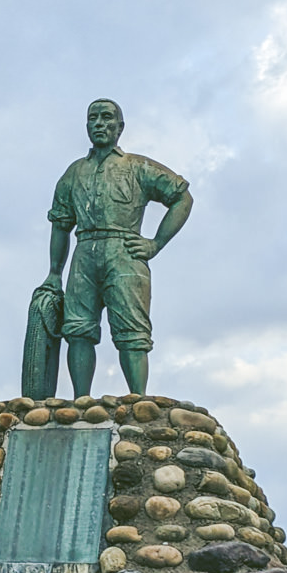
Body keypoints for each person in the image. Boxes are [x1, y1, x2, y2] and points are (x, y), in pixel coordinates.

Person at [42, 99, 193, 397]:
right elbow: (60, 224)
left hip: (125, 253)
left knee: (132, 333)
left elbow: (182, 197)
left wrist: (156, 243)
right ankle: (81, 401)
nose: (99, 123)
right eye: (93, 118)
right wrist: (54, 273)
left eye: (107, 117)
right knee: (78, 329)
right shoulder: (74, 173)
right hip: (84, 252)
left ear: (120, 127)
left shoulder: (137, 166)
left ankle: (139, 400)